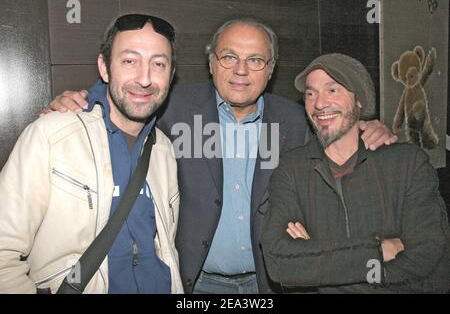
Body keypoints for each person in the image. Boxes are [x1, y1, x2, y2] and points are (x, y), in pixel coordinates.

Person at [46, 19, 397, 293]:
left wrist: (369, 127)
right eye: (229, 57)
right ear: (211, 63)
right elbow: (130, 98)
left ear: (271, 69)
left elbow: (338, 137)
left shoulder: (295, 119)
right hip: (196, 282)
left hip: (270, 282)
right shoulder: (175, 107)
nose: (241, 70)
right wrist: (84, 98)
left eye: (255, 60)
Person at [0, 14, 183, 294]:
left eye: (158, 64)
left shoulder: (164, 150)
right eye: (130, 61)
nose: (145, 79)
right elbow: (3, 255)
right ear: (105, 67)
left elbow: (165, 247)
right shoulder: (51, 135)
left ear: (171, 75)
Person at [261, 53, 450, 293]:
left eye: (333, 90)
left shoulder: (407, 164)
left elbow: (431, 254)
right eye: (311, 93)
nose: (319, 104)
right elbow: (280, 263)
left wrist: (316, 262)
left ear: (359, 100)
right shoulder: (290, 170)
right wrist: (379, 250)